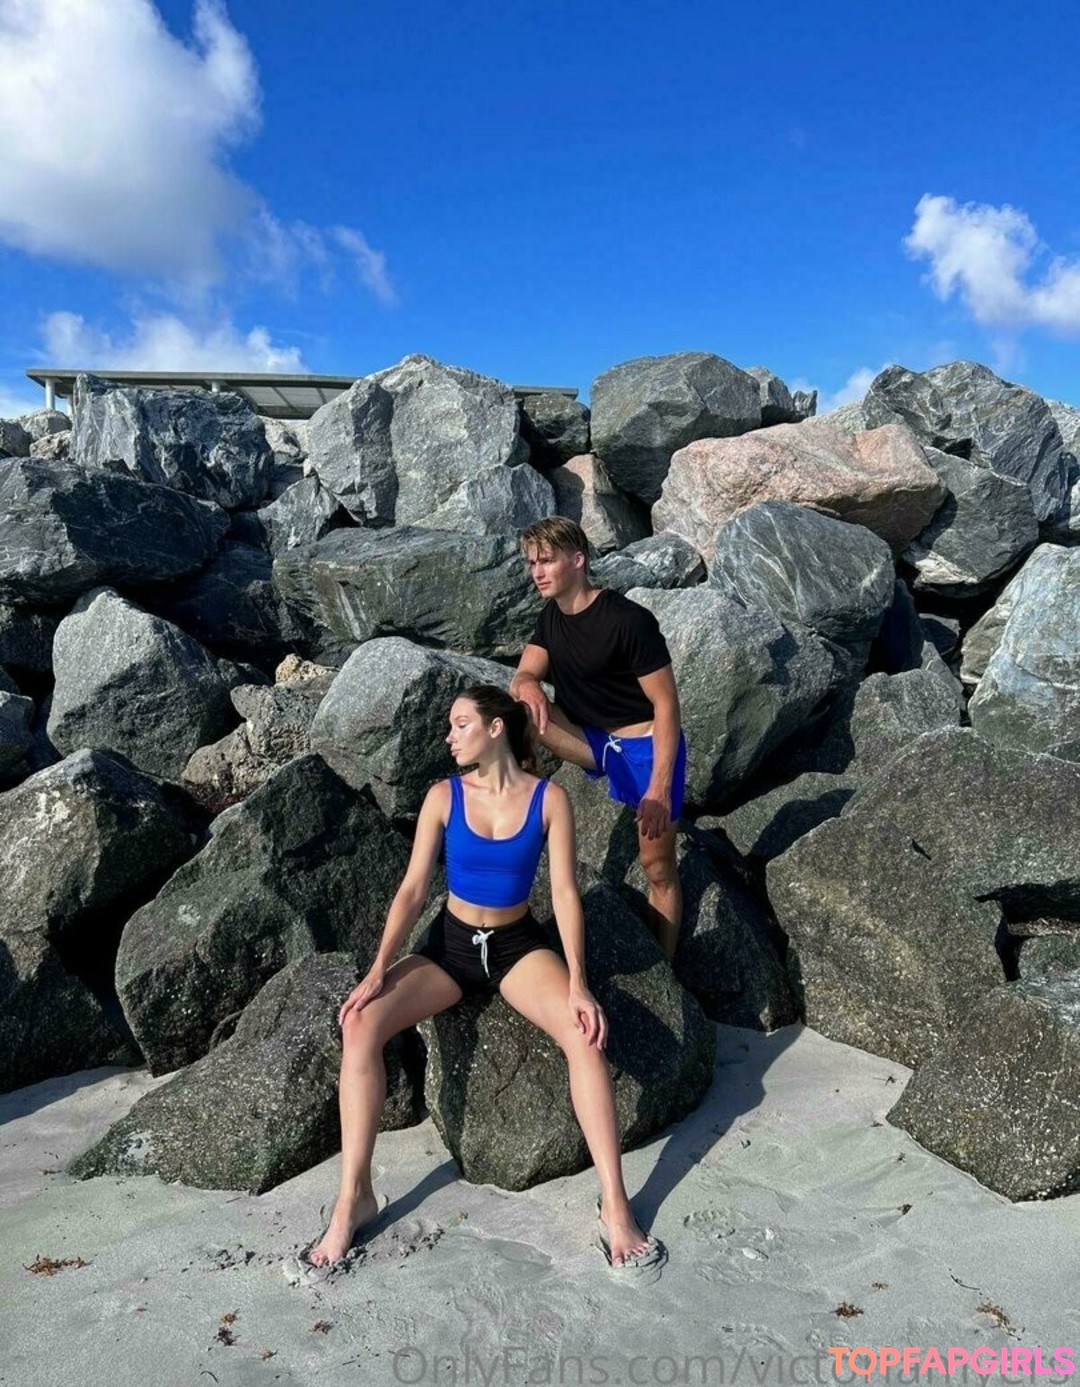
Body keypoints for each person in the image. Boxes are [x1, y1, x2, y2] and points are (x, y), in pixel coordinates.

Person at [304, 684, 659, 1272]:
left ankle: (615, 1205)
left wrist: (578, 982)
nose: (449, 736)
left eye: (460, 723)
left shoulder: (550, 800)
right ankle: (353, 1199)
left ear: (496, 729)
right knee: (360, 1022)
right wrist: (378, 969)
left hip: (518, 948)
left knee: (584, 1034)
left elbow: (565, 894)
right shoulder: (443, 796)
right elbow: (413, 890)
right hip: (449, 948)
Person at [509, 517, 687, 960]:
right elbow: (525, 674)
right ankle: (521, 807)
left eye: (546, 561)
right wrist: (528, 684)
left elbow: (667, 706)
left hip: (644, 748)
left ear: (578, 560)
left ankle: (666, 970)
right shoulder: (551, 617)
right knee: (521, 713)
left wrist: (659, 788)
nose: (537, 572)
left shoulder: (628, 621)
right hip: (594, 744)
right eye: (532, 563)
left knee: (657, 868)